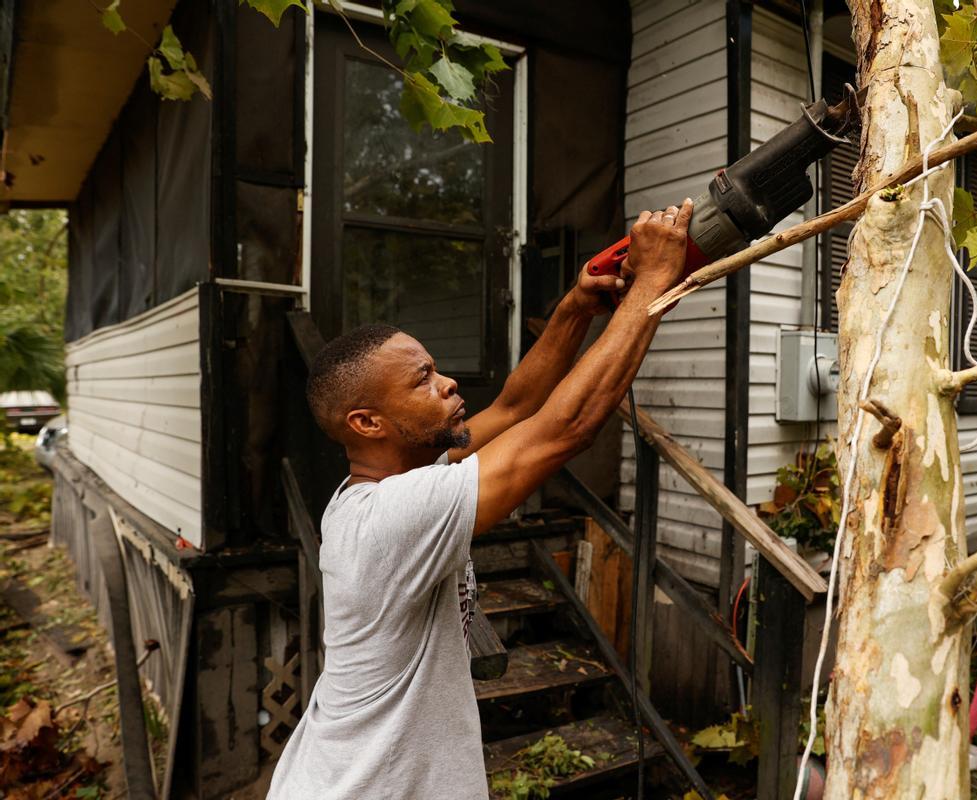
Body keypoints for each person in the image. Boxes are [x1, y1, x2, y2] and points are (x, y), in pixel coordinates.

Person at [266, 200, 695, 799]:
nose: (448, 384)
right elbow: (566, 428)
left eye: (436, 368)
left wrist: (575, 308)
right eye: (422, 379)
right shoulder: (392, 517)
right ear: (367, 423)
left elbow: (517, 408)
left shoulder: (394, 482)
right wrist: (653, 282)